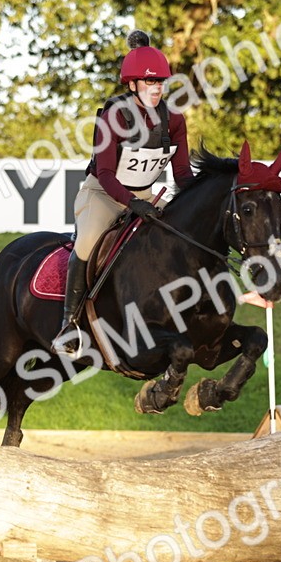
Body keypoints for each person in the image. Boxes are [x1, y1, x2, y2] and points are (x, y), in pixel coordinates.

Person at [53, 30, 195, 356]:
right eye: (149, 82)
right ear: (132, 85)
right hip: (102, 194)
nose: (157, 88)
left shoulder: (174, 120)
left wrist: (194, 201)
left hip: (144, 195)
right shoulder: (114, 116)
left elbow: (183, 175)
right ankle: (69, 325)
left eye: (161, 82)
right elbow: (105, 174)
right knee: (88, 242)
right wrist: (132, 203)